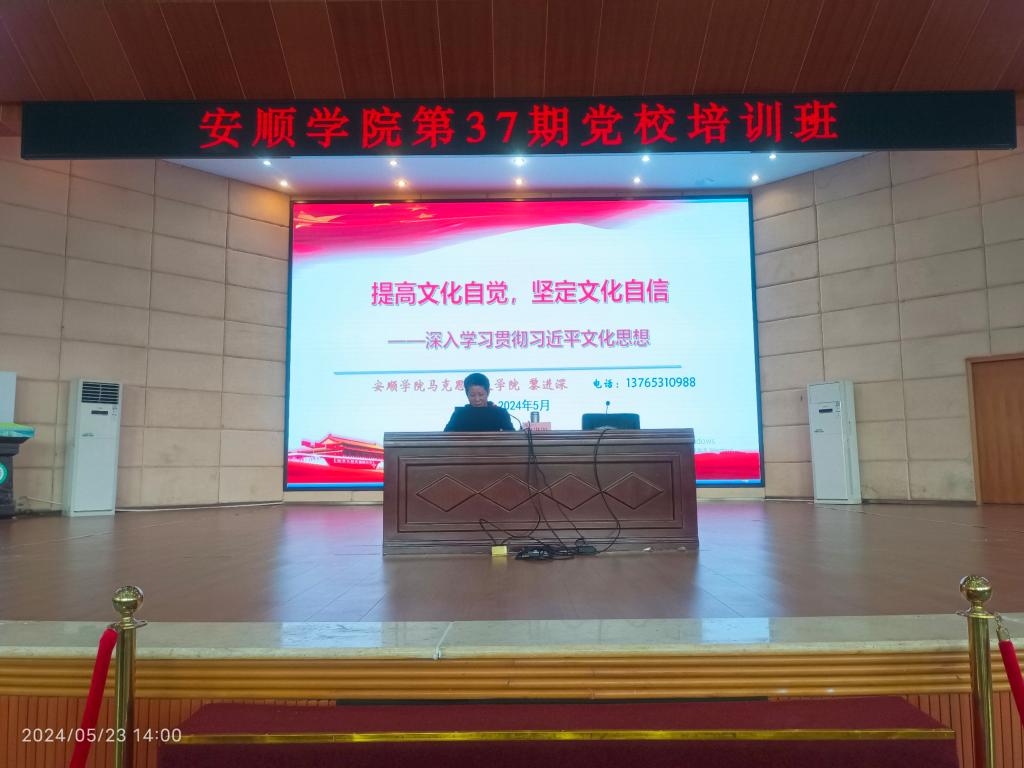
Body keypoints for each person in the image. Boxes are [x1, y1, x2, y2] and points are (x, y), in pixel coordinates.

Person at [443, 373, 515, 432]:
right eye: (472, 395)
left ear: (488, 392)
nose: (477, 399)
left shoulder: (500, 413)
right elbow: (446, 436)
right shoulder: (459, 414)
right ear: (467, 394)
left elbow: (511, 436)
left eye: (481, 395)